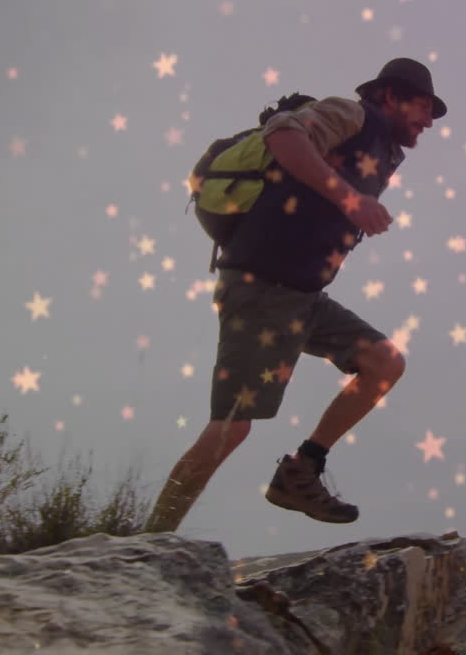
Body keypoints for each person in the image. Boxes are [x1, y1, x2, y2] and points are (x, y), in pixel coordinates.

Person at [145, 58, 448, 532]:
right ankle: (149, 543)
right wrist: (353, 201)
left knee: (384, 363)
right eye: (424, 106)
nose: (429, 121)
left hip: (304, 296)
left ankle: (301, 470)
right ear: (390, 95)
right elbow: (283, 137)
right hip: (261, 287)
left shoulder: (382, 149)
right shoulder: (352, 114)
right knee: (232, 426)